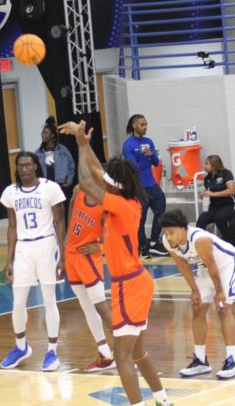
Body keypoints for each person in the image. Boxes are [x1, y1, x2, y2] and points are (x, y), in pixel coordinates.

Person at [60, 121, 172, 406]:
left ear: (115, 186)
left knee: (122, 357)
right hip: (135, 281)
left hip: (130, 285)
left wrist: (81, 145)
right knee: (138, 353)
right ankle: (163, 400)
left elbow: (87, 181)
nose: (104, 181)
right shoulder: (124, 197)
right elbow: (97, 172)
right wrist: (84, 144)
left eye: (109, 181)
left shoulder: (121, 205)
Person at [0, 151, 66, 372]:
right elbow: (12, 227)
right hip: (23, 248)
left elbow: (60, 223)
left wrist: (63, 256)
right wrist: (9, 260)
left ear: (36, 166)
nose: (25, 169)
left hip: (46, 245)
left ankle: (52, 351)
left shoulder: (50, 188)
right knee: (18, 302)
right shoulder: (10, 192)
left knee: (49, 301)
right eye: (21, 166)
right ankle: (20, 347)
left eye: (28, 165)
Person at [161, 209, 235, 380]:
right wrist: (194, 290)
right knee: (198, 308)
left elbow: (213, 266)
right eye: (166, 233)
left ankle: (232, 361)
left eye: (171, 233)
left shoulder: (200, 239)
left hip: (226, 264)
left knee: (223, 309)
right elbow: (182, 265)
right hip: (205, 269)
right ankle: (200, 361)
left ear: (183, 229)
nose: (168, 237)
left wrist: (219, 292)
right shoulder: (167, 242)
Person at [65, 184, 114, 372]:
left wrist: (100, 247)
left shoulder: (108, 204)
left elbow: (119, 236)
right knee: (86, 306)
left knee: (101, 306)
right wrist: (67, 234)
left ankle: (126, 354)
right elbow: (71, 204)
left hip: (88, 258)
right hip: (71, 255)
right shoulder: (79, 190)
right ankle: (104, 353)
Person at [122, 114, 167, 259]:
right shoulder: (128, 145)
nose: (145, 127)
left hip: (151, 183)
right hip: (138, 186)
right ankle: (142, 246)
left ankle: (154, 241)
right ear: (134, 125)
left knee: (161, 208)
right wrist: (144, 160)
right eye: (142, 125)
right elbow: (133, 167)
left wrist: (151, 154)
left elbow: (155, 163)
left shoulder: (148, 141)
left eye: (146, 124)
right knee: (140, 218)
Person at [35, 116, 75, 214]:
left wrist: (68, 182)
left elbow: (71, 167)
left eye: (45, 133)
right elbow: (35, 172)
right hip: (45, 189)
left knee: (63, 214)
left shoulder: (63, 150)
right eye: (42, 133)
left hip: (61, 188)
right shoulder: (38, 153)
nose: (43, 135)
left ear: (52, 135)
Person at [196, 155, 235, 238]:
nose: (205, 166)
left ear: (214, 165)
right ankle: (199, 240)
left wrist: (212, 194)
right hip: (213, 207)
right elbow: (209, 192)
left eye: (207, 164)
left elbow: (231, 191)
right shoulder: (207, 178)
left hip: (227, 205)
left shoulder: (226, 173)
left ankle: (228, 240)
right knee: (202, 219)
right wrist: (204, 195)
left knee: (219, 217)